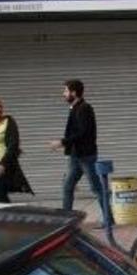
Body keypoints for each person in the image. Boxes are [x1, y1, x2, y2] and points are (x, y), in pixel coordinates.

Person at [50, 79, 107, 225]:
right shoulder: (75, 108)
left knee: (96, 188)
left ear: (73, 93)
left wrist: (62, 142)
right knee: (68, 186)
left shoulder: (84, 108)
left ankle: (108, 219)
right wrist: (67, 145)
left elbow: (83, 132)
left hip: (86, 156)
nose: (63, 94)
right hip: (76, 156)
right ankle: (66, 220)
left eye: (66, 91)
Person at [0, 97, 32, 203]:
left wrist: (3, 163)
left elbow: (13, 143)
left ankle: (12, 214)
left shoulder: (8, 121)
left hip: (4, 164)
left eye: (0, 106)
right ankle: (11, 215)